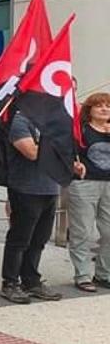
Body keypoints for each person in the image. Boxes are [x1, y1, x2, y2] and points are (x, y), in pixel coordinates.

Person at [1, 109, 65, 304]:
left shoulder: (54, 121)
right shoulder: (21, 120)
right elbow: (30, 151)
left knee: (39, 239)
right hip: (26, 188)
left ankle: (31, 280)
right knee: (20, 238)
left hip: (50, 187)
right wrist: (56, 146)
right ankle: (10, 282)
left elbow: (68, 150)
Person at [68, 93, 110, 292]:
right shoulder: (81, 131)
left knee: (109, 231)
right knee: (83, 230)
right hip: (85, 184)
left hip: (109, 185)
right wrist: (74, 164)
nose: (104, 109)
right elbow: (68, 153)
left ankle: (103, 273)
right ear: (90, 110)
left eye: (108, 106)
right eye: (99, 106)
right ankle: (82, 274)